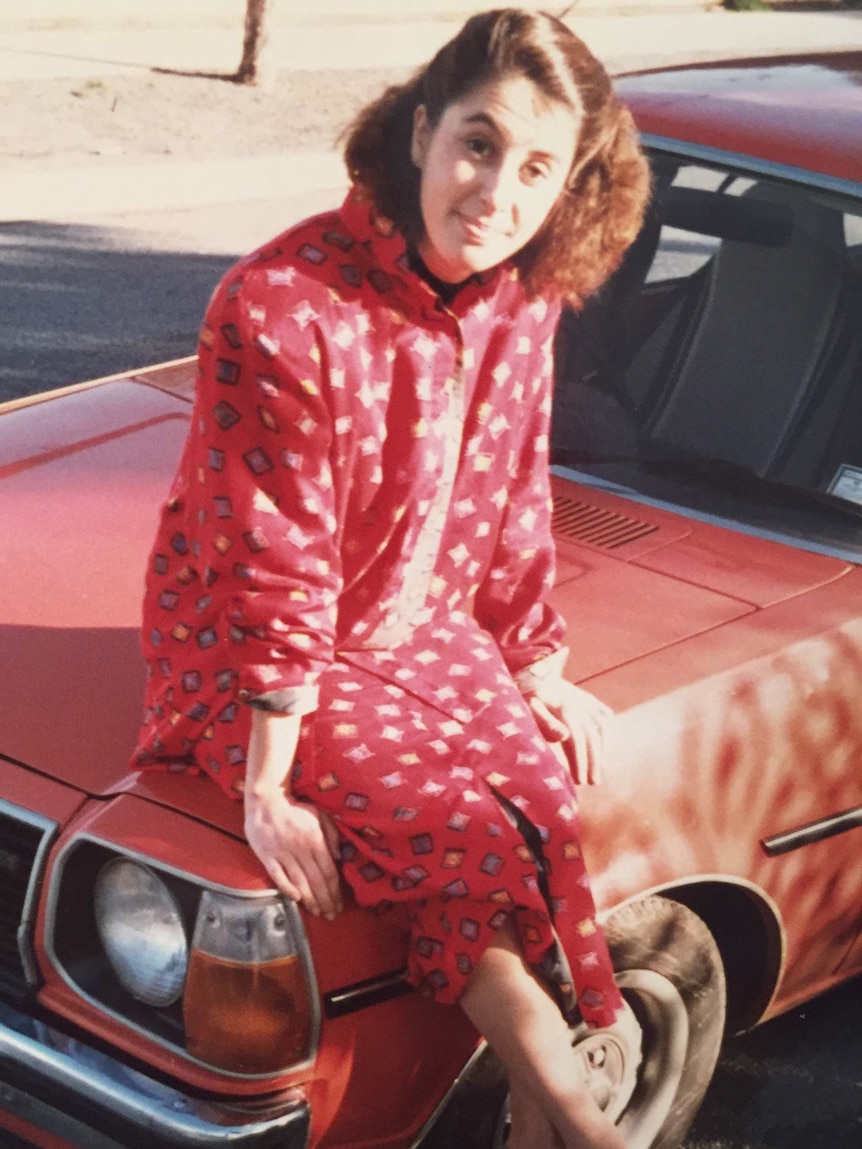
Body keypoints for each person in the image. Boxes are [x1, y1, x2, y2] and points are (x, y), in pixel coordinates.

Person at [131, 9, 650, 1148]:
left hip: (419, 631)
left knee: (541, 811)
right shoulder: (285, 303)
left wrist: (536, 662)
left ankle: (540, 1112)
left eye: (535, 167)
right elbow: (276, 556)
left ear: (568, 180)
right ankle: (577, 1119)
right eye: (477, 143)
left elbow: (515, 486)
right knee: (461, 839)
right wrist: (269, 783)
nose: (495, 194)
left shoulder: (523, 295)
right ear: (421, 130)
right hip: (252, 652)